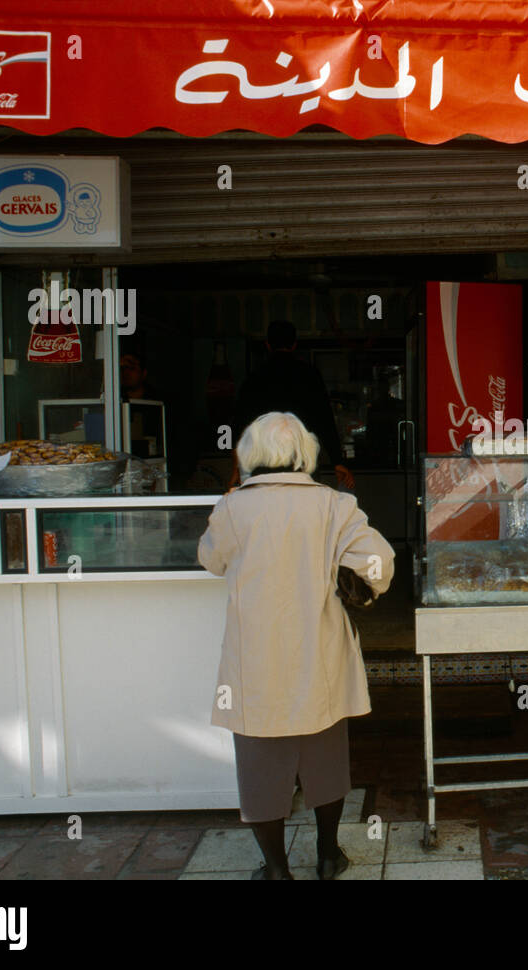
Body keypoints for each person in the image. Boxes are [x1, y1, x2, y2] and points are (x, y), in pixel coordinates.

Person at [198, 412, 394, 880]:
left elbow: (210, 560)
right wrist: (357, 582)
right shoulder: (334, 505)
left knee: (260, 767)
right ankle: (329, 857)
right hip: (319, 652)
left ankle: (277, 870)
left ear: (251, 456)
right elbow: (379, 562)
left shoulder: (233, 508)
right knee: (325, 758)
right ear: (305, 455)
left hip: (256, 659)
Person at [234, 321, 354, 488]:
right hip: (303, 458)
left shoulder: (254, 378)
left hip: (264, 459)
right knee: (305, 508)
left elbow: (242, 423)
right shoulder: (310, 375)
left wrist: (236, 465)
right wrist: (337, 461)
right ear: (294, 345)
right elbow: (324, 420)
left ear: (267, 345)